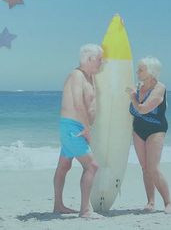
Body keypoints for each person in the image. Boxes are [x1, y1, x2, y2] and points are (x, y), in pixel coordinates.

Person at [53, 44, 103, 218]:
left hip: (74, 126)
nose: (102, 62)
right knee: (92, 165)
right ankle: (85, 210)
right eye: (99, 59)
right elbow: (77, 103)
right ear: (89, 59)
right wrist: (87, 129)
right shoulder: (77, 75)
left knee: (64, 166)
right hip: (74, 127)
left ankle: (58, 206)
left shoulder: (90, 77)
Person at [126, 56, 171, 214]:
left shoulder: (159, 88)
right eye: (138, 68)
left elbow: (143, 109)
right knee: (145, 168)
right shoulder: (138, 87)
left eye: (141, 69)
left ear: (151, 71)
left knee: (153, 168)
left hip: (156, 130)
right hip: (138, 130)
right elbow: (132, 111)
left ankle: (168, 203)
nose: (137, 71)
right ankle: (150, 202)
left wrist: (133, 96)